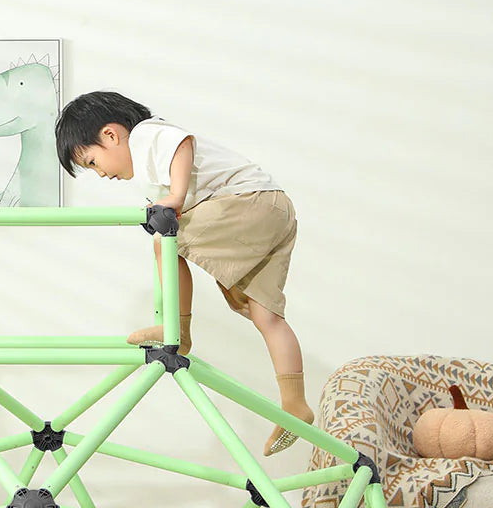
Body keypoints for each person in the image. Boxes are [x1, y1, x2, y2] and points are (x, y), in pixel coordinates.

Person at [54, 90, 314, 456]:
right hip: (275, 207)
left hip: (250, 202)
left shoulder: (144, 135)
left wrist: (175, 197)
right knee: (266, 315)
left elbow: (181, 144)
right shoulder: (150, 165)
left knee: (165, 240)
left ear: (111, 135)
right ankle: (296, 404)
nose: (101, 173)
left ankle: (178, 327)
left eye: (94, 162)